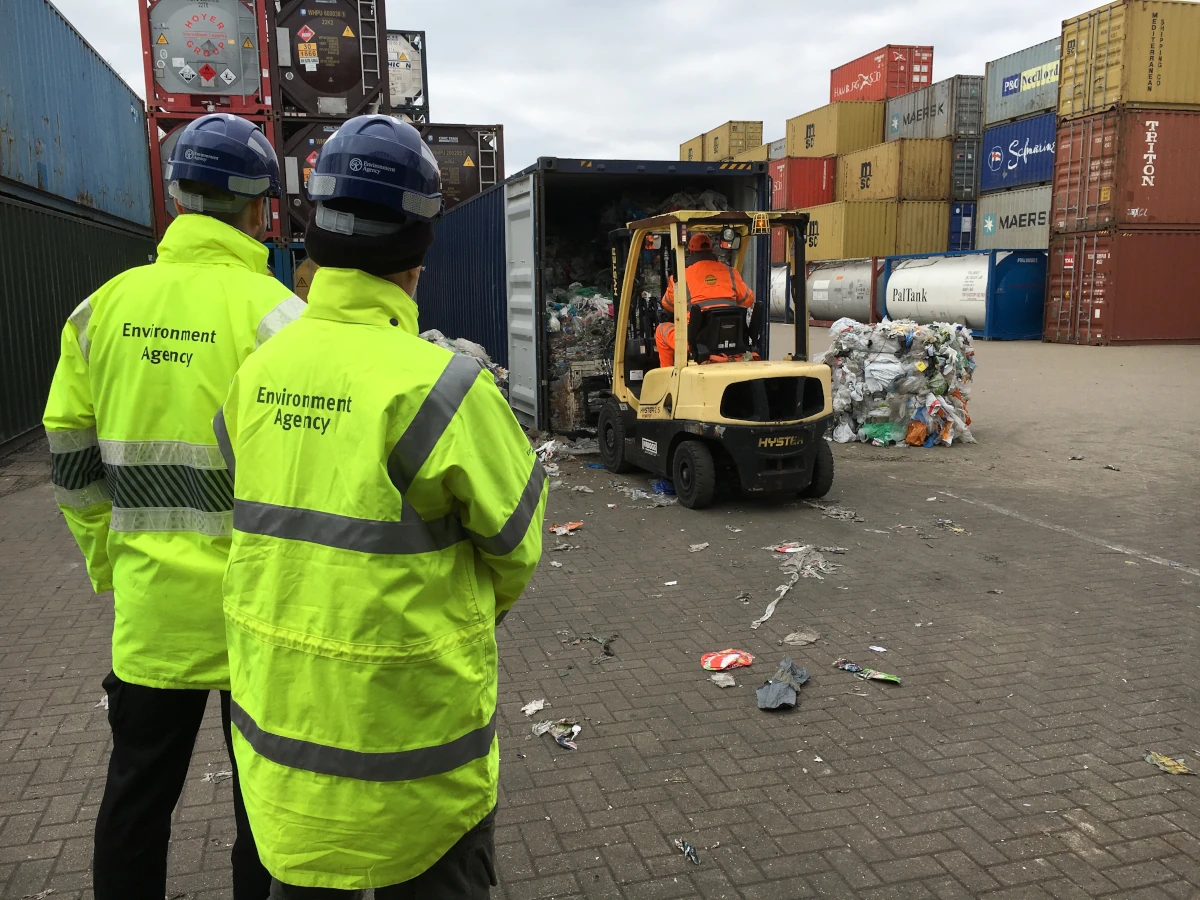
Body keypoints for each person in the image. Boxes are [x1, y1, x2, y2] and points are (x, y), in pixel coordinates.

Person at [214, 114, 547, 898]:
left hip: (288, 766)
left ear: (312, 230)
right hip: (420, 773)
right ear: (420, 247)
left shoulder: (256, 376)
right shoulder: (446, 387)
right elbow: (518, 550)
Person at [42, 113, 303, 900]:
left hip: (151, 614)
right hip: (253, 615)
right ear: (260, 209)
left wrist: (109, 558)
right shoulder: (279, 319)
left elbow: (67, 450)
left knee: (136, 800)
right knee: (262, 809)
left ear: (177, 196)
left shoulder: (100, 311)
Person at [654, 232, 755, 367]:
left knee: (661, 330)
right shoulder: (730, 272)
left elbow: (667, 304)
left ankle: (667, 377)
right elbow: (748, 300)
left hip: (697, 342)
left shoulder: (680, 277)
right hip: (733, 339)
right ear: (711, 250)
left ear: (690, 251)